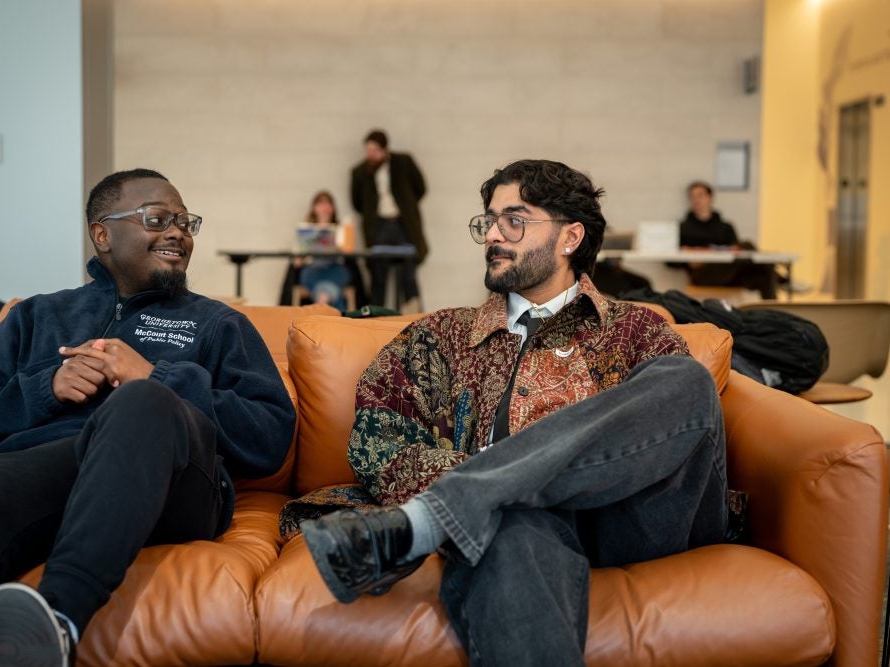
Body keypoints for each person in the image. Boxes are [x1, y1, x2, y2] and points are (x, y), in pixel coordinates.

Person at [299, 159, 728, 666]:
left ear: (570, 237)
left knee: (685, 381)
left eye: (514, 220)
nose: (493, 236)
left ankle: (435, 517)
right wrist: (503, 493)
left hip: (631, 520)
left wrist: (481, 482)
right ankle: (474, 506)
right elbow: (377, 436)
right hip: (523, 531)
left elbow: (678, 426)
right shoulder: (444, 337)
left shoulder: (635, 331)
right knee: (507, 525)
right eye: (489, 220)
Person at [0, 169, 296, 667]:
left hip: (172, 485)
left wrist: (156, 377)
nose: (178, 233)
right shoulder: (37, 316)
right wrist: (45, 388)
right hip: (45, 474)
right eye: (157, 219)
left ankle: (60, 617)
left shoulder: (218, 323)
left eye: (186, 223)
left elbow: (270, 434)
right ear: (103, 234)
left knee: (143, 403)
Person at [350, 129, 427, 311]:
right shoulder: (360, 172)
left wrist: (405, 206)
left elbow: (421, 188)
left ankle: (414, 314)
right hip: (379, 226)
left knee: (408, 273)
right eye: (368, 150)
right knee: (378, 273)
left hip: (403, 224)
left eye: (375, 150)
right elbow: (357, 203)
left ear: (384, 149)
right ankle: (376, 314)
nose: (371, 155)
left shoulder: (404, 162)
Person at [679, 180, 779, 299]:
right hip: (703, 275)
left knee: (763, 273)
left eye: (700, 195)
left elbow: (738, 255)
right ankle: (781, 278)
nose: (696, 200)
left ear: (710, 198)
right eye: (693, 196)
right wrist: (687, 259)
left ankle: (771, 312)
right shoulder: (683, 227)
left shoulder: (726, 227)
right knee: (748, 246)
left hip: (728, 273)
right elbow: (670, 261)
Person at [295, 191, 354, 311]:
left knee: (333, 278)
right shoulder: (306, 229)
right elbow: (297, 262)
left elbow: (349, 254)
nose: (324, 207)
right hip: (313, 270)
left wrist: (340, 245)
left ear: (333, 208)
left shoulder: (341, 228)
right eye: (320, 203)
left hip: (334, 269)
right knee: (324, 287)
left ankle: (321, 304)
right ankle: (336, 312)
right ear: (314, 208)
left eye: (328, 204)